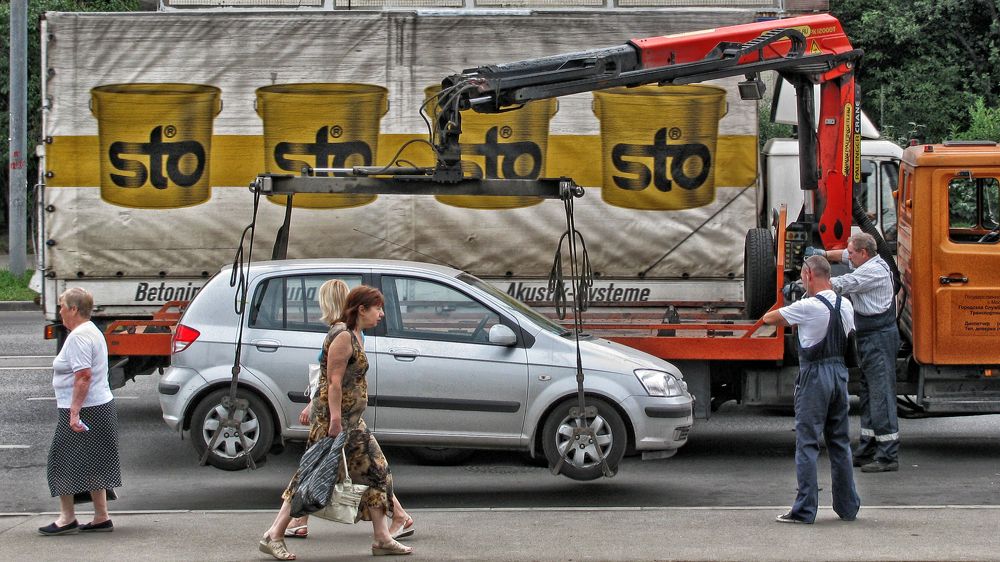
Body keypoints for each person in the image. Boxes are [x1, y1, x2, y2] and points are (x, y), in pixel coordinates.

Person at [259, 286, 414, 559]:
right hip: (336, 422)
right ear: (361, 309)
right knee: (310, 477)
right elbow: (332, 382)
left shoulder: (356, 333)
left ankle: (382, 538)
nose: (381, 314)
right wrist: (334, 421)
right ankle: (274, 534)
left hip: (353, 422)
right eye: (377, 308)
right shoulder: (342, 335)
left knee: (377, 472)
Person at [763, 256, 861, 524]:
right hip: (839, 375)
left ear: (808, 275)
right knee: (839, 442)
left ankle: (805, 509)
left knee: (806, 443)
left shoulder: (807, 306)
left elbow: (769, 318)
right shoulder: (846, 306)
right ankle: (848, 506)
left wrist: (793, 308)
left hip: (815, 375)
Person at [807, 232, 900, 472]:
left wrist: (808, 279)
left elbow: (841, 284)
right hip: (869, 336)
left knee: (881, 394)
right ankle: (869, 445)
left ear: (864, 253)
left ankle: (888, 455)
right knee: (868, 392)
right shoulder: (867, 260)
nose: (848, 256)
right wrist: (823, 255)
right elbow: (842, 258)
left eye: (851, 252)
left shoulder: (873, 272)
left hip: (878, 337)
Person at [39, 288, 122, 536]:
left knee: (60, 461)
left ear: (74, 309)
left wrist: (74, 413)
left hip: (85, 409)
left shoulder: (78, 337)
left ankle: (67, 518)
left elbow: (83, 376)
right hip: (99, 405)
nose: (60, 311)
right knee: (94, 462)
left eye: (62, 305)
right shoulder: (92, 331)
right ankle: (101, 516)